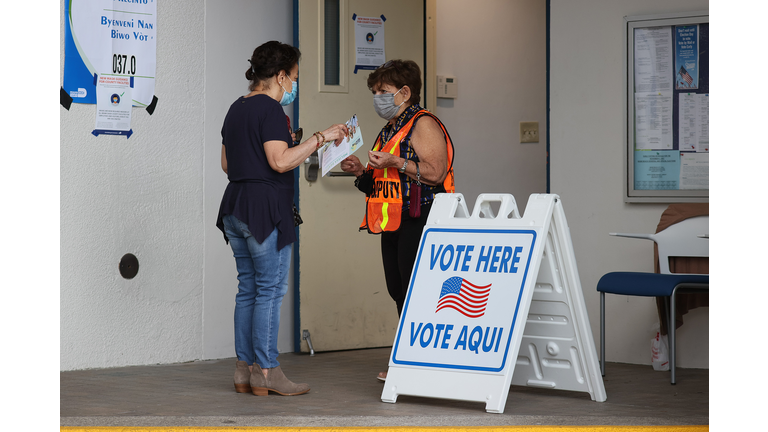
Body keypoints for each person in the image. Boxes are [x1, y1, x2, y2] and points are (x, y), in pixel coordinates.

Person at [217, 40, 348, 396]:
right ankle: (268, 370)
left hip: (235, 206)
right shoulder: (271, 110)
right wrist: (322, 137)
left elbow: (228, 164)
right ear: (279, 76)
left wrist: (289, 148)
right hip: (264, 210)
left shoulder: (235, 108)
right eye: (294, 76)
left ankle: (244, 371)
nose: (294, 83)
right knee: (270, 290)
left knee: (248, 289)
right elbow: (279, 161)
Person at [340, 59, 455, 381]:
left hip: (421, 217)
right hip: (393, 221)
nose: (377, 96)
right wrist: (361, 171)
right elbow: (381, 181)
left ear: (405, 92)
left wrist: (396, 161)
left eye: (383, 91)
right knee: (399, 289)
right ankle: (410, 358)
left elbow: (435, 173)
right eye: (375, 91)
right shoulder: (392, 127)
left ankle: (417, 361)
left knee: (418, 290)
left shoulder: (422, 123)